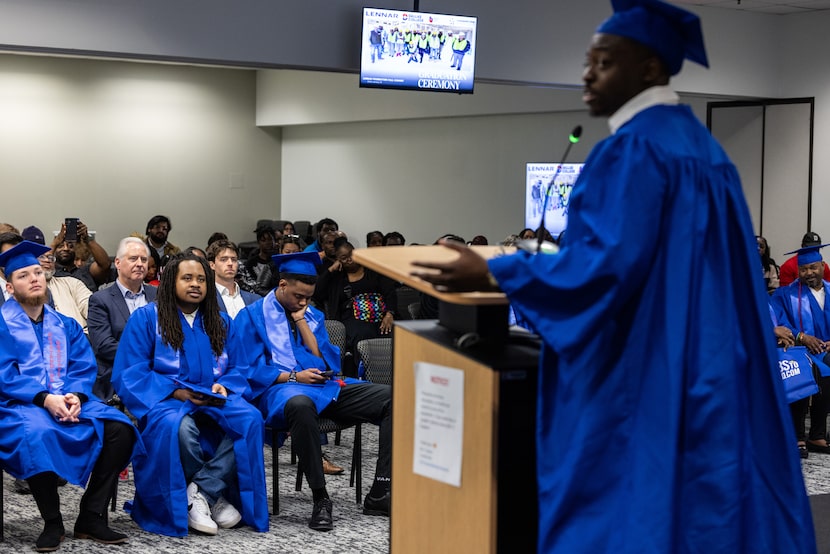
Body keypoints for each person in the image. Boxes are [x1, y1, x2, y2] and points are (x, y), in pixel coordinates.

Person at [411, 1, 813, 551]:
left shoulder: (633, 151)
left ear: (649, 68)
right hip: (710, 363)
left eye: (601, 62)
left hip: (648, 368)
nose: (586, 74)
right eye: (587, 61)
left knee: (631, 507)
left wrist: (496, 268)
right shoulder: (705, 150)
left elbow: (601, 272)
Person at [112, 255, 268, 537]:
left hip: (213, 395)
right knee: (179, 428)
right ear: (171, 281)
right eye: (187, 278)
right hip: (167, 399)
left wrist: (227, 386)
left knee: (251, 419)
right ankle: (212, 497)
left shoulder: (219, 321)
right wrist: (175, 390)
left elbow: (240, 367)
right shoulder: (147, 318)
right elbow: (131, 371)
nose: (195, 284)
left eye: (201, 279)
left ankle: (201, 492)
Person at [235, 251, 392, 531]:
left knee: (393, 397)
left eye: (309, 297)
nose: (304, 302)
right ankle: (321, 498)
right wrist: (294, 375)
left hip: (324, 386)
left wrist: (301, 320)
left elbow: (326, 361)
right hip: (280, 389)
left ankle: (381, 490)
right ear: (282, 285)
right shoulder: (251, 317)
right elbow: (245, 369)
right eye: (298, 296)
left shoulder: (312, 315)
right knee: (299, 404)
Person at [0, 241, 141, 552]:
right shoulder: (2, 325)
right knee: (36, 432)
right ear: (10, 287)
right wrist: (44, 399)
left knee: (120, 428)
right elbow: (4, 374)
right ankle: (52, 522)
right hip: (17, 405)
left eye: (38, 272)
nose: (35, 278)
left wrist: (76, 396)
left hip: (67, 400)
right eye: (24, 275)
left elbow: (82, 366)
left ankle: (90, 516)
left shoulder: (65, 324)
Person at [771, 244, 830, 458]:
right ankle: (797, 436)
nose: (808, 273)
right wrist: (802, 337)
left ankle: (817, 435)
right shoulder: (785, 294)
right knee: (803, 370)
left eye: (813, 268)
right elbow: (776, 322)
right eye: (804, 269)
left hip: (825, 351)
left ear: (823, 266)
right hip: (797, 350)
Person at [88, 237, 158, 403]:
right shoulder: (100, 300)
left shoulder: (158, 296)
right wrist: (149, 355)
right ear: (117, 263)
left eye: (144, 259)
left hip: (158, 375)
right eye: (133, 259)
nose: (140, 264)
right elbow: (104, 346)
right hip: (118, 376)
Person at [316, 237, 396, 374]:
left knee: (393, 333)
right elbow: (317, 293)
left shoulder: (373, 270)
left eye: (351, 255)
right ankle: (366, 374)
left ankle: (393, 374)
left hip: (381, 315)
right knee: (363, 333)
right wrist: (331, 270)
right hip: (352, 317)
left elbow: (390, 292)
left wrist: (390, 314)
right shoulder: (338, 277)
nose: (349, 260)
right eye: (344, 258)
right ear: (339, 260)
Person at [51, 220, 112, 292]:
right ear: (55, 250)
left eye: (70, 246)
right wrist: (55, 243)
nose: (66, 248)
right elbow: (41, 263)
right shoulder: (50, 273)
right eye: (60, 246)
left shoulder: (86, 271)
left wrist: (87, 239)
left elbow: (105, 264)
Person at [207, 239, 260, 319]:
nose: (230, 263)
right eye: (223, 259)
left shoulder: (255, 299)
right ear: (212, 265)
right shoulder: (206, 299)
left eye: (234, 260)